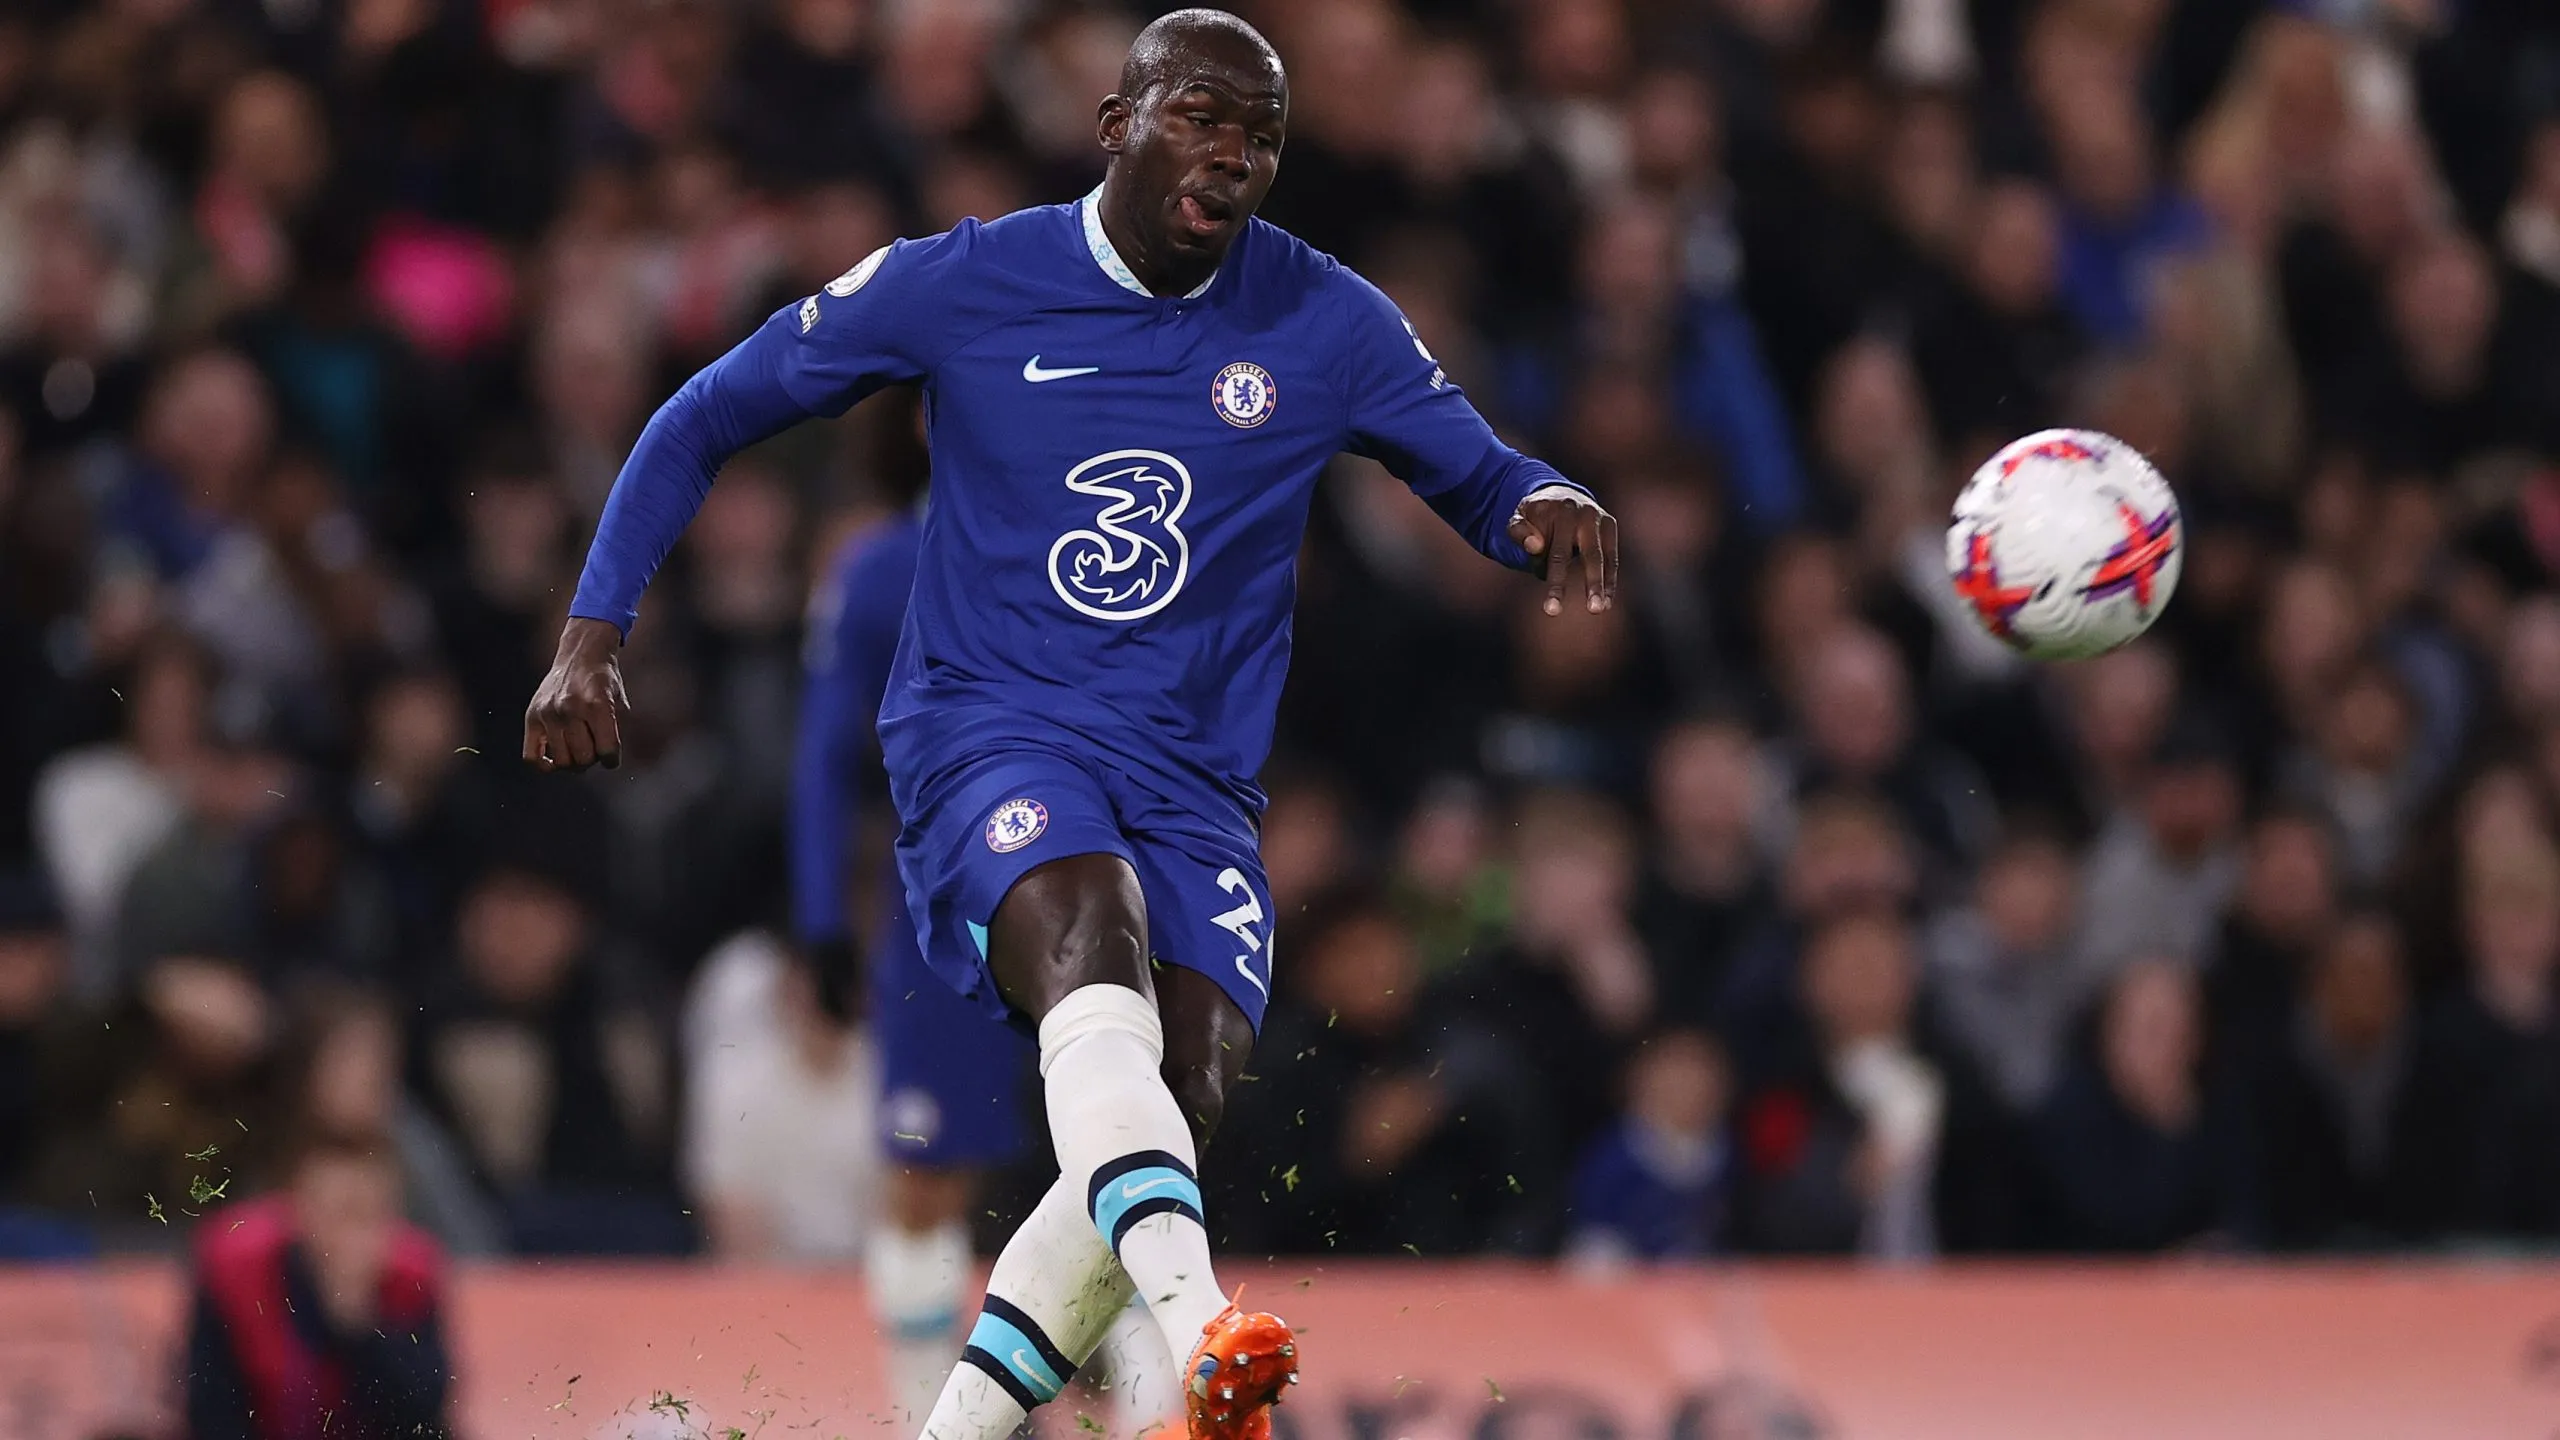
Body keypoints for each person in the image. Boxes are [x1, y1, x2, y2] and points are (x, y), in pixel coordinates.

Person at [523, 12, 1617, 1440]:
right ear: (1117, 125)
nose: (1231, 155)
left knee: (1177, 1097)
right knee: (1090, 951)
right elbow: (705, 412)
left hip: (1196, 787)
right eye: (1201, 117)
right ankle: (1207, 1329)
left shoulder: (1326, 317)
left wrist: (1541, 497)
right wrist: (592, 634)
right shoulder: (967, 279)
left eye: (1261, 136)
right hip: (994, 733)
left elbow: (1474, 472)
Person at [794, 487, 1172, 1426]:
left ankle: (1144, 1414)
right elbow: (826, 752)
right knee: (928, 1180)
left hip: (1095, 898)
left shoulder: (1127, 543)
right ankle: (926, 1415)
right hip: (951, 913)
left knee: (1112, 1160)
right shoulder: (886, 569)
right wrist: (821, 920)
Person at [183, 1130, 453, 1440]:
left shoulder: (412, 1281)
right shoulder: (237, 1272)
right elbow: (210, 1410)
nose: (352, 1235)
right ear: (299, 1208)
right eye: (339, 1213)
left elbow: (425, 1416)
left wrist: (359, 1327)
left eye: (368, 1215)